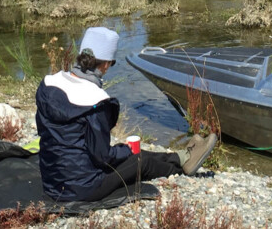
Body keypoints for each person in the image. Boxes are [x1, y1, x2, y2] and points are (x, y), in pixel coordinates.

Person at [36, 27, 217, 202]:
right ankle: (184, 165)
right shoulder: (95, 101)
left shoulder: (49, 85)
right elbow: (102, 157)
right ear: (106, 64)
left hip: (52, 181)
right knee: (139, 159)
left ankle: (182, 156)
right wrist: (125, 150)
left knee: (133, 153)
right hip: (82, 188)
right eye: (111, 63)